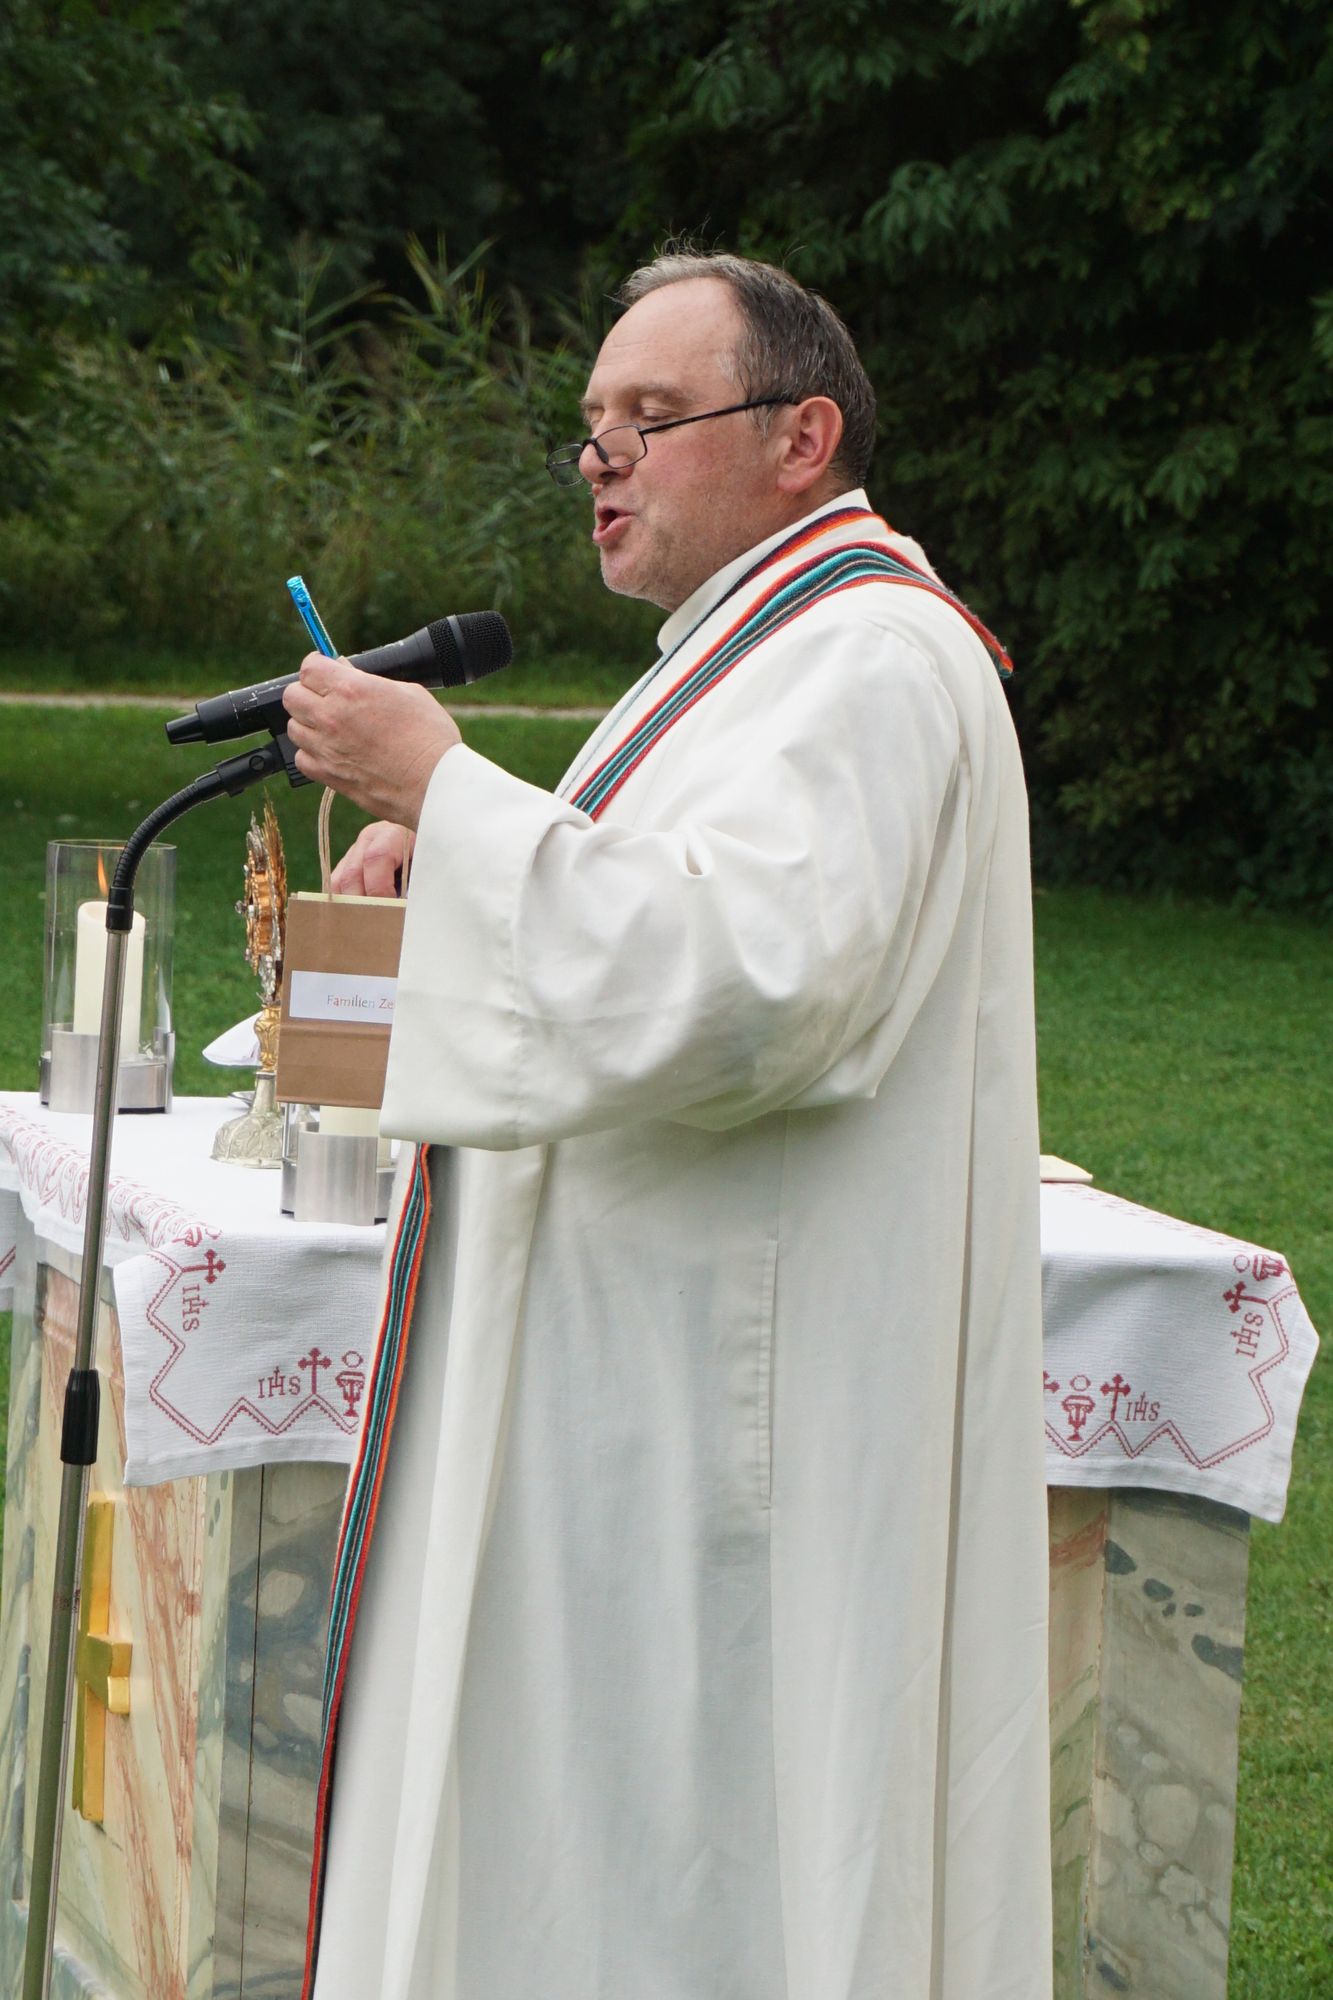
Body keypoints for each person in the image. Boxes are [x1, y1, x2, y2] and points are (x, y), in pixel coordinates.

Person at [283, 250, 1053, 2000]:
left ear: (803, 434)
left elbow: (747, 986)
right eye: (589, 426)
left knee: (691, 1869)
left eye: (651, 416)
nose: (602, 457)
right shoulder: (752, 648)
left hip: (721, 1440)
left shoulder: (866, 655)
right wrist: (450, 872)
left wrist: (445, 791)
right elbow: (667, 903)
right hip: (647, 1388)